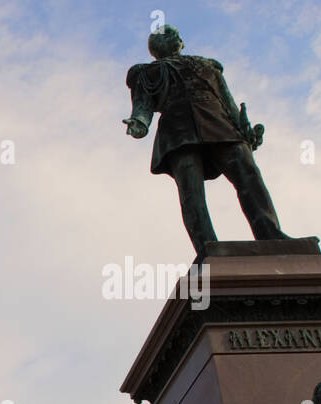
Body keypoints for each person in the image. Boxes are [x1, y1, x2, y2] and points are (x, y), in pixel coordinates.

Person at [123, 25, 290, 258]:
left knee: (248, 173)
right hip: (179, 131)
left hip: (220, 125)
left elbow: (227, 100)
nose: (180, 39)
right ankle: (207, 247)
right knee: (191, 193)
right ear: (162, 45)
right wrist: (139, 123)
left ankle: (271, 235)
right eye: (174, 36)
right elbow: (142, 106)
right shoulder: (145, 72)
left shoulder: (208, 65)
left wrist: (244, 129)